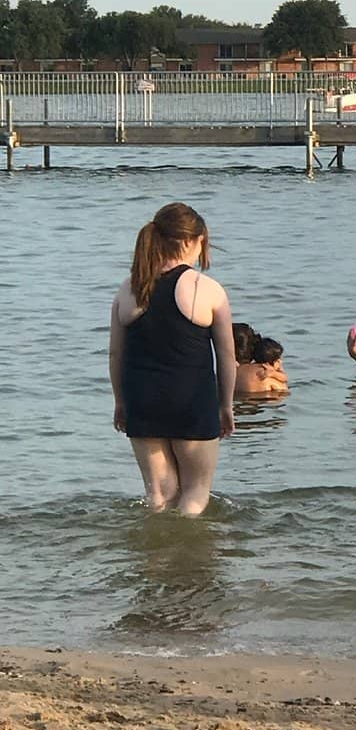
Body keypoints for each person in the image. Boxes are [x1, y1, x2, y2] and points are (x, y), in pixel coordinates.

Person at [108, 202, 236, 516]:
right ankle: (186, 544)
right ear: (194, 241)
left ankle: (155, 545)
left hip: (142, 400)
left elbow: (115, 354)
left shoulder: (129, 289)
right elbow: (226, 354)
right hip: (191, 401)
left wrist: (121, 401)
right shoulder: (206, 288)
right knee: (195, 492)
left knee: (158, 495)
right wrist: (226, 405)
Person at [234, 323, 290, 396]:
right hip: (264, 399)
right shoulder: (265, 372)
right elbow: (285, 392)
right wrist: (278, 370)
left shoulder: (229, 374)